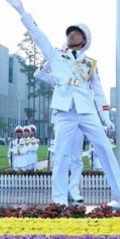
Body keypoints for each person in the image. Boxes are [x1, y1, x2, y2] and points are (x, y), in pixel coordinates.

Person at [5, 0, 120, 208]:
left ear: (84, 40)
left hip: (86, 110)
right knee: (62, 154)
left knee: (105, 149)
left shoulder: (90, 63)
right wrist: (22, 13)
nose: (71, 35)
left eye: (76, 33)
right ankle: (59, 200)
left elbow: (99, 93)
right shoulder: (56, 56)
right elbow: (39, 36)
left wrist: (106, 118)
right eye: (69, 32)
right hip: (64, 111)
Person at [36, 62, 85, 203]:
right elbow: (38, 74)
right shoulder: (58, 76)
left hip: (80, 116)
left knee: (77, 158)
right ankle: (60, 195)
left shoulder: (83, 73)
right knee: (60, 156)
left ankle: (74, 190)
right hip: (63, 117)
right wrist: (51, 60)